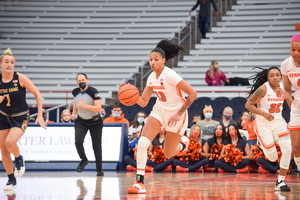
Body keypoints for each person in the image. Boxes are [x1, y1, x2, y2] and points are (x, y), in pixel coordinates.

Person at [125, 39, 197, 194]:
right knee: (143, 143)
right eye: (150, 60)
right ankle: (139, 183)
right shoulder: (151, 77)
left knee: (168, 153)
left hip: (177, 114)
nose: (152, 62)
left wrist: (178, 113)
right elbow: (144, 102)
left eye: (156, 60)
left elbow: (192, 94)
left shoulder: (170, 75)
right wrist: (130, 93)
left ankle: (183, 144)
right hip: (159, 111)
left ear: (163, 61)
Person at [0, 48, 46, 190]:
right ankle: (11, 179)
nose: (9, 64)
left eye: (12, 62)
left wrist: (39, 115)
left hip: (20, 117)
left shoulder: (20, 78)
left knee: (10, 142)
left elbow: (38, 94)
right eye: (6, 62)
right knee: (4, 151)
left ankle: (19, 158)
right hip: (3, 116)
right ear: (1, 64)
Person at [245, 66, 292, 191]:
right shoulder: (263, 89)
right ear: (268, 78)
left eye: (277, 75)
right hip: (263, 124)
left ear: (281, 76)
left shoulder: (283, 88)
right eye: (272, 75)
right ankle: (261, 143)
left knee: (288, 148)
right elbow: (248, 104)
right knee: (272, 158)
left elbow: (291, 104)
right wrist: (263, 113)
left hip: (279, 123)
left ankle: (280, 181)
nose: (275, 77)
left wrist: (288, 96)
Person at [70, 73, 104, 176]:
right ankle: (84, 160)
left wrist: (85, 106)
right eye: (79, 81)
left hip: (95, 121)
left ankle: (99, 170)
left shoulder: (93, 91)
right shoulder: (75, 91)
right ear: (77, 82)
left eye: (83, 80)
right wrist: (74, 112)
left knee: (96, 146)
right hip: (81, 121)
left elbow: (98, 108)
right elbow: (75, 100)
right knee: (78, 142)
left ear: (87, 80)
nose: (81, 82)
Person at [281, 34, 300, 176]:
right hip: (297, 108)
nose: (296, 53)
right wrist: (293, 105)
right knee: (296, 147)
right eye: (293, 49)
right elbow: (287, 90)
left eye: (299, 51)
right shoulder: (286, 64)